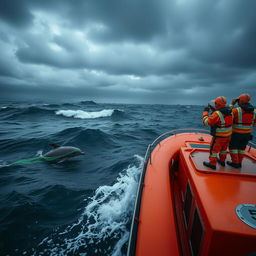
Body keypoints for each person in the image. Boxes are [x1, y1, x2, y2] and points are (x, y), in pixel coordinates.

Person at [202, 96, 233, 169]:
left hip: (219, 137)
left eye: (215, 103)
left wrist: (206, 111)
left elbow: (206, 122)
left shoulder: (217, 114)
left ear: (217, 104)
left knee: (213, 151)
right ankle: (222, 161)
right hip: (228, 136)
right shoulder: (230, 110)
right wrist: (213, 109)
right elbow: (221, 112)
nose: (214, 104)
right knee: (223, 150)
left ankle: (212, 164)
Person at [227, 93, 256, 168]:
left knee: (233, 148)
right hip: (247, 134)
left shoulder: (236, 110)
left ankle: (235, 163)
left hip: (236, 133)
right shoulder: (254, 111)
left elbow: (227, 116)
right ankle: (239, 163)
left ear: (241, 101)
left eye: (238, 100)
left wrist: (232, 104)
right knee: (242, 148)